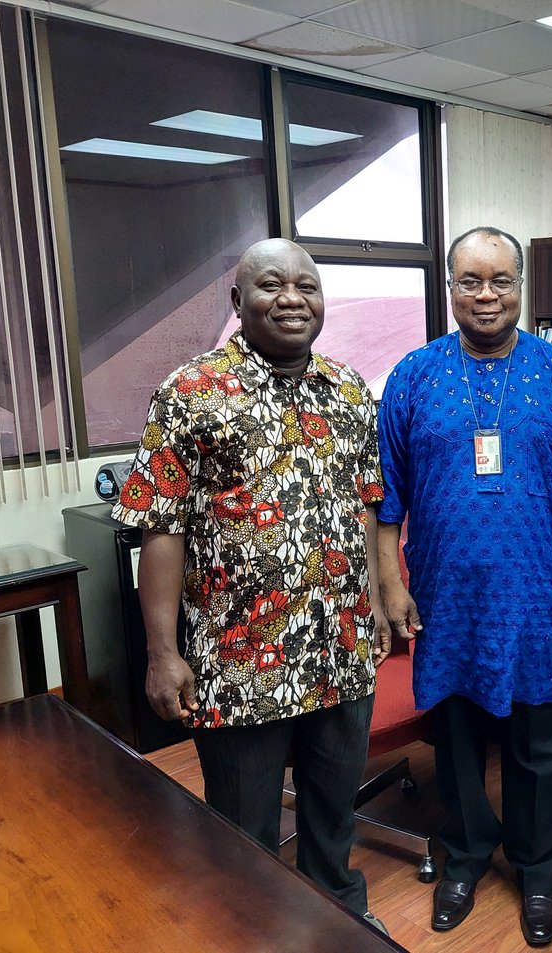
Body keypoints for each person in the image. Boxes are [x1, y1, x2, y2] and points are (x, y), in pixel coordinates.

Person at [111, 238, 390, 932]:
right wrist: (162, 651)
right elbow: (160, 528)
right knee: (242, 831)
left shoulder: (351, 391)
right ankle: (250, 932)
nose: (292, 298)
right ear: (238, 302)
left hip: (338, 650)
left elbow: (364, 505)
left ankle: (341, 925)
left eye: (307, 285)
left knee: (333, 814)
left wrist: (376, 605)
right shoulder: (190, 393)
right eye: (271, 285)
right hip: (239, 665)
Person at [376, 226, 552, 947]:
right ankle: (466, 855)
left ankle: (538, 868)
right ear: (449, 288)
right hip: (446, 595)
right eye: (471, 281)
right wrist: (391, 585)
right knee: (455, 738)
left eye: (502, 280)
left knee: (540, 740)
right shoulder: (413, 377)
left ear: (520, 287)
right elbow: (386, 499)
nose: (487, 295)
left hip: (540, 590)